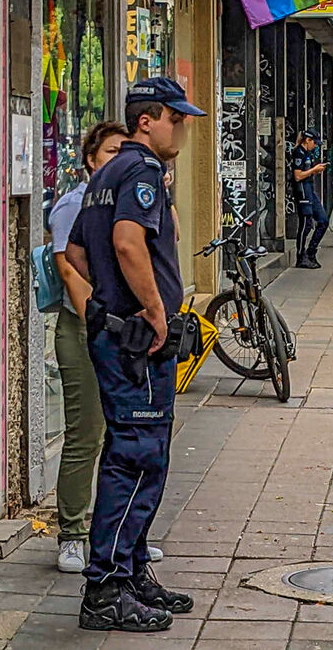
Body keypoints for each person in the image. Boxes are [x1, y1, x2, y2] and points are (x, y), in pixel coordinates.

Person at [64, 76, 205, 632]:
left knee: (139, 453)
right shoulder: (141, 169)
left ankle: (130, 570)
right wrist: (149, 309)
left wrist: (111, 302)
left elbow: (77, 250)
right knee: (138, 457)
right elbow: (126, 241)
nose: (185, 129)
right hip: (136, 342)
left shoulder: (106, 174)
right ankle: (106, 587)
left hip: (114, 332)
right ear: (147, 120)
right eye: (177, 118)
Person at [47, 120, 129, 574]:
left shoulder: (131, 201)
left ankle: (116, 532)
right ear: (91, 159)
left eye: (127, 153)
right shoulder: (73, 205)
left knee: (124, 433)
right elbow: (69, 272)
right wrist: (97, 322)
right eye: (112, 152)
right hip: (84, 328)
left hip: (123, 327)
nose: (120, 160)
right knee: (87, 433)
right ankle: (73, 533)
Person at [292, 130, 330, 268]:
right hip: (302, 190)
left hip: (310, 190)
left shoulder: (307, 153)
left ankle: (311, 251)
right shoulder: (299, 153)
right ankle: (301, 256)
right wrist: (314, 170)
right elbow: (298, 176)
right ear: (307, 140)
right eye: (314, 142)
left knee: (323, 220)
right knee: (306, 224)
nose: (315, 146)